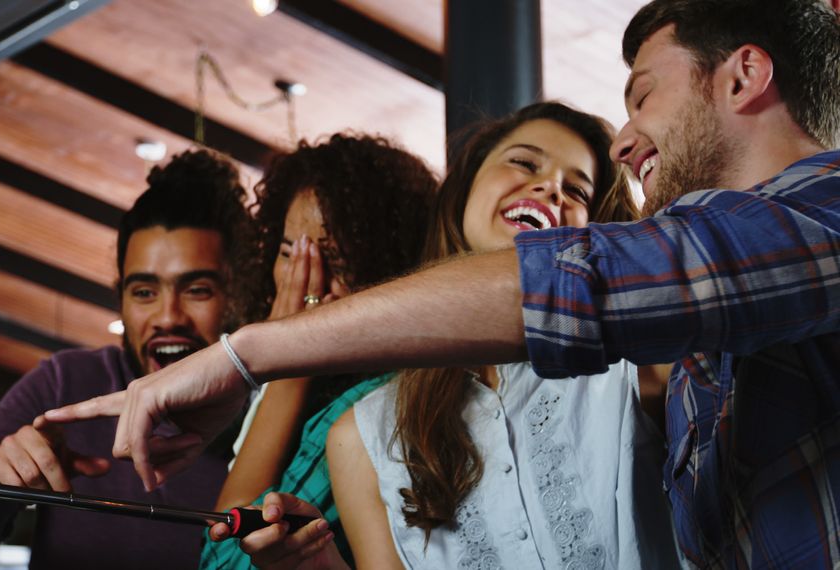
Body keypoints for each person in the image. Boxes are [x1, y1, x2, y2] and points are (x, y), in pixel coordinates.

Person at [46, 0, 840, 566]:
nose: (629, 137)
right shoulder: (709, 362)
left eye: (642, 95)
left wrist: (248, 354)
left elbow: (595, 287)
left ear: (743, 78)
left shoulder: (813, 223)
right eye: (521, 164)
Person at [231, 102, 678, 569]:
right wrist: (313, 561)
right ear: (463, 192)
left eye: (578, 190)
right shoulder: (361, 434)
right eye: (524, 162)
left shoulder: (635, 362)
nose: (550, 186)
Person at [0, 148, 250, 570]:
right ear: (120, 299)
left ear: (240, 294)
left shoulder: (275, 406)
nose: (167, 317)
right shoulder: (65, 385)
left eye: (197, 290)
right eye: (144, 292)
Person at [203, 133, 436, 568]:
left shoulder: (371, 403)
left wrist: (294, 355)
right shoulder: (302, 384)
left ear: (389, 269)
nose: (304, 281)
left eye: (336, 261)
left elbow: (221, 559)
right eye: (289, 252)